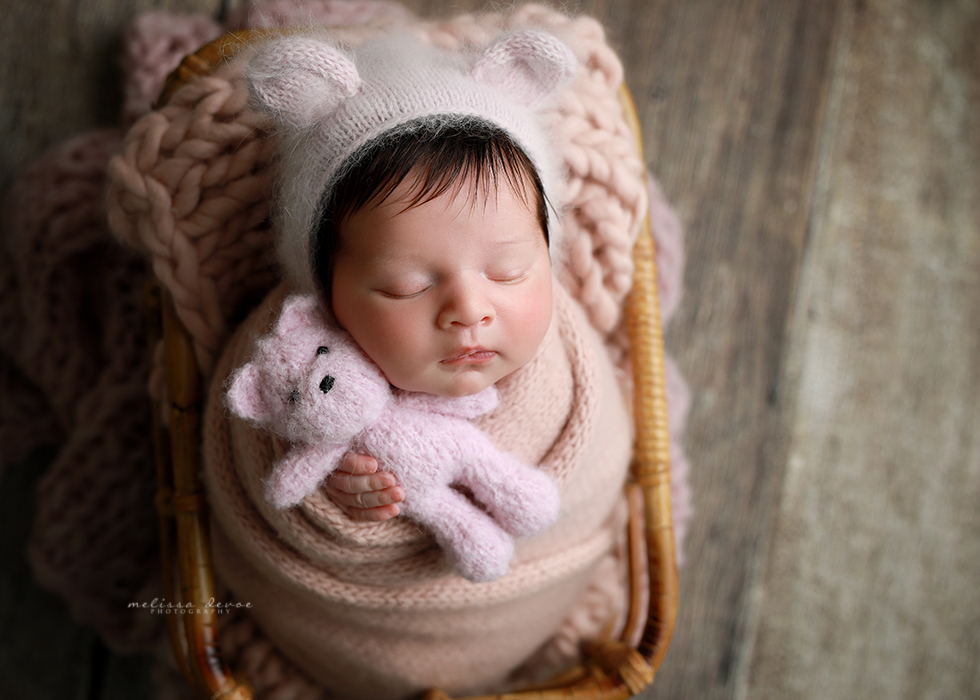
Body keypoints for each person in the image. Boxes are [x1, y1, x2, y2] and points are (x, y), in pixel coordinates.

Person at [203, 27, 636, 699]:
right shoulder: (292, 369)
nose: (469, 309)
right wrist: (339, 504)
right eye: (408, 285)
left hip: (540, 600)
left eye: (509, 269)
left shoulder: (562, 367)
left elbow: (598, 463)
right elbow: (262, 483)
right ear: (325, 296)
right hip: (345, 625)